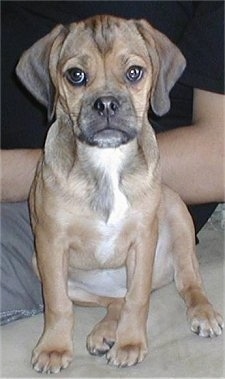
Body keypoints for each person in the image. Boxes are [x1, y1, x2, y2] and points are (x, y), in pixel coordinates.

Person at [1, 1, 224, 325]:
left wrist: (40, 176)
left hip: (52, 207)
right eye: (78, 76)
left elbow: (217, 157)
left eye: (132, 74)